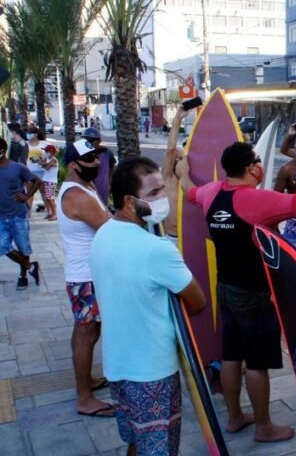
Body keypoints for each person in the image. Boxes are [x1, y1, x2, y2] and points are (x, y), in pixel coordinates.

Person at [176, 142, 296, 443]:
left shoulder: (211, 193)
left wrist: (180, 169)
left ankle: (234, 418)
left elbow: (189, 188)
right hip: (255, 291)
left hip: (226, 287)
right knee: (256, 362)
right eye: (257, 161)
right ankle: (263, 426)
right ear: (249, 168)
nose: (260, 165)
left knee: (231, 355)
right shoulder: (253, 201)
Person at [90, 157, 206, 456]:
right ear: (129, 201)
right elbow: (197, 301)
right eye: (153, 193)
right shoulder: (157, 249)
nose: (163, 198)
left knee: (136, 441)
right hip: (152, 370)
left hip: (118, 364)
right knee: (158, 449)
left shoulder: (103, 233)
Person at [57, 139, 114, 417]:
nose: (97, 163)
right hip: (86, 277)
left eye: (96, 157)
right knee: (87, 333)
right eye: (89, 159)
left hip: (87, 274)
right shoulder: (77, 195)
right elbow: (109, 229)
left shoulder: (82, 187)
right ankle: (84, 398)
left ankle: (87, 381)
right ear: (73, 165)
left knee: (85, 331)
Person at [0, 137, 42, 290]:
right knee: (2, 246)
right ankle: (31, 267)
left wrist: (27, 195)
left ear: (2, 151)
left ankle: (23, 276)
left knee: (23, 247)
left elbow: (37, 181)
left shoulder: (17, 167)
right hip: (1, 217)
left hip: (18, 214)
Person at [160, 106, 191, 244]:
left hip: (192, 239)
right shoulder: (167, 178)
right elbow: (170, 150)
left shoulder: (192, 179)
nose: (178, 159)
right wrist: (177, 120)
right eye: (176, 158)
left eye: (182, 158)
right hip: (173, 239)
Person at [82, 127, 116, 207]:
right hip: (86, 189)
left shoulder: (107, 153)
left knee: (102, 209)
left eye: (91, 140)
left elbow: (112, 168)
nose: (88, 143)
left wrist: (110, 183)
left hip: (102, 188)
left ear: (98, 141)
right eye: (86, 140)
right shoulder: (82, 153)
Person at [40, 144, 59, 220]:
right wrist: (44, 163)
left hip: (51, 181)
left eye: (46, 151)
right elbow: (43, 166)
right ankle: (51, 213)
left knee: (49, 198)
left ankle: (54, 214)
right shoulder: (48, 159)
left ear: (51, 151)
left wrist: (43, 163)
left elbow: (47, 168)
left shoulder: (54, 159)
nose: (45, 152)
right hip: (46, 180)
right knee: (48, 198)